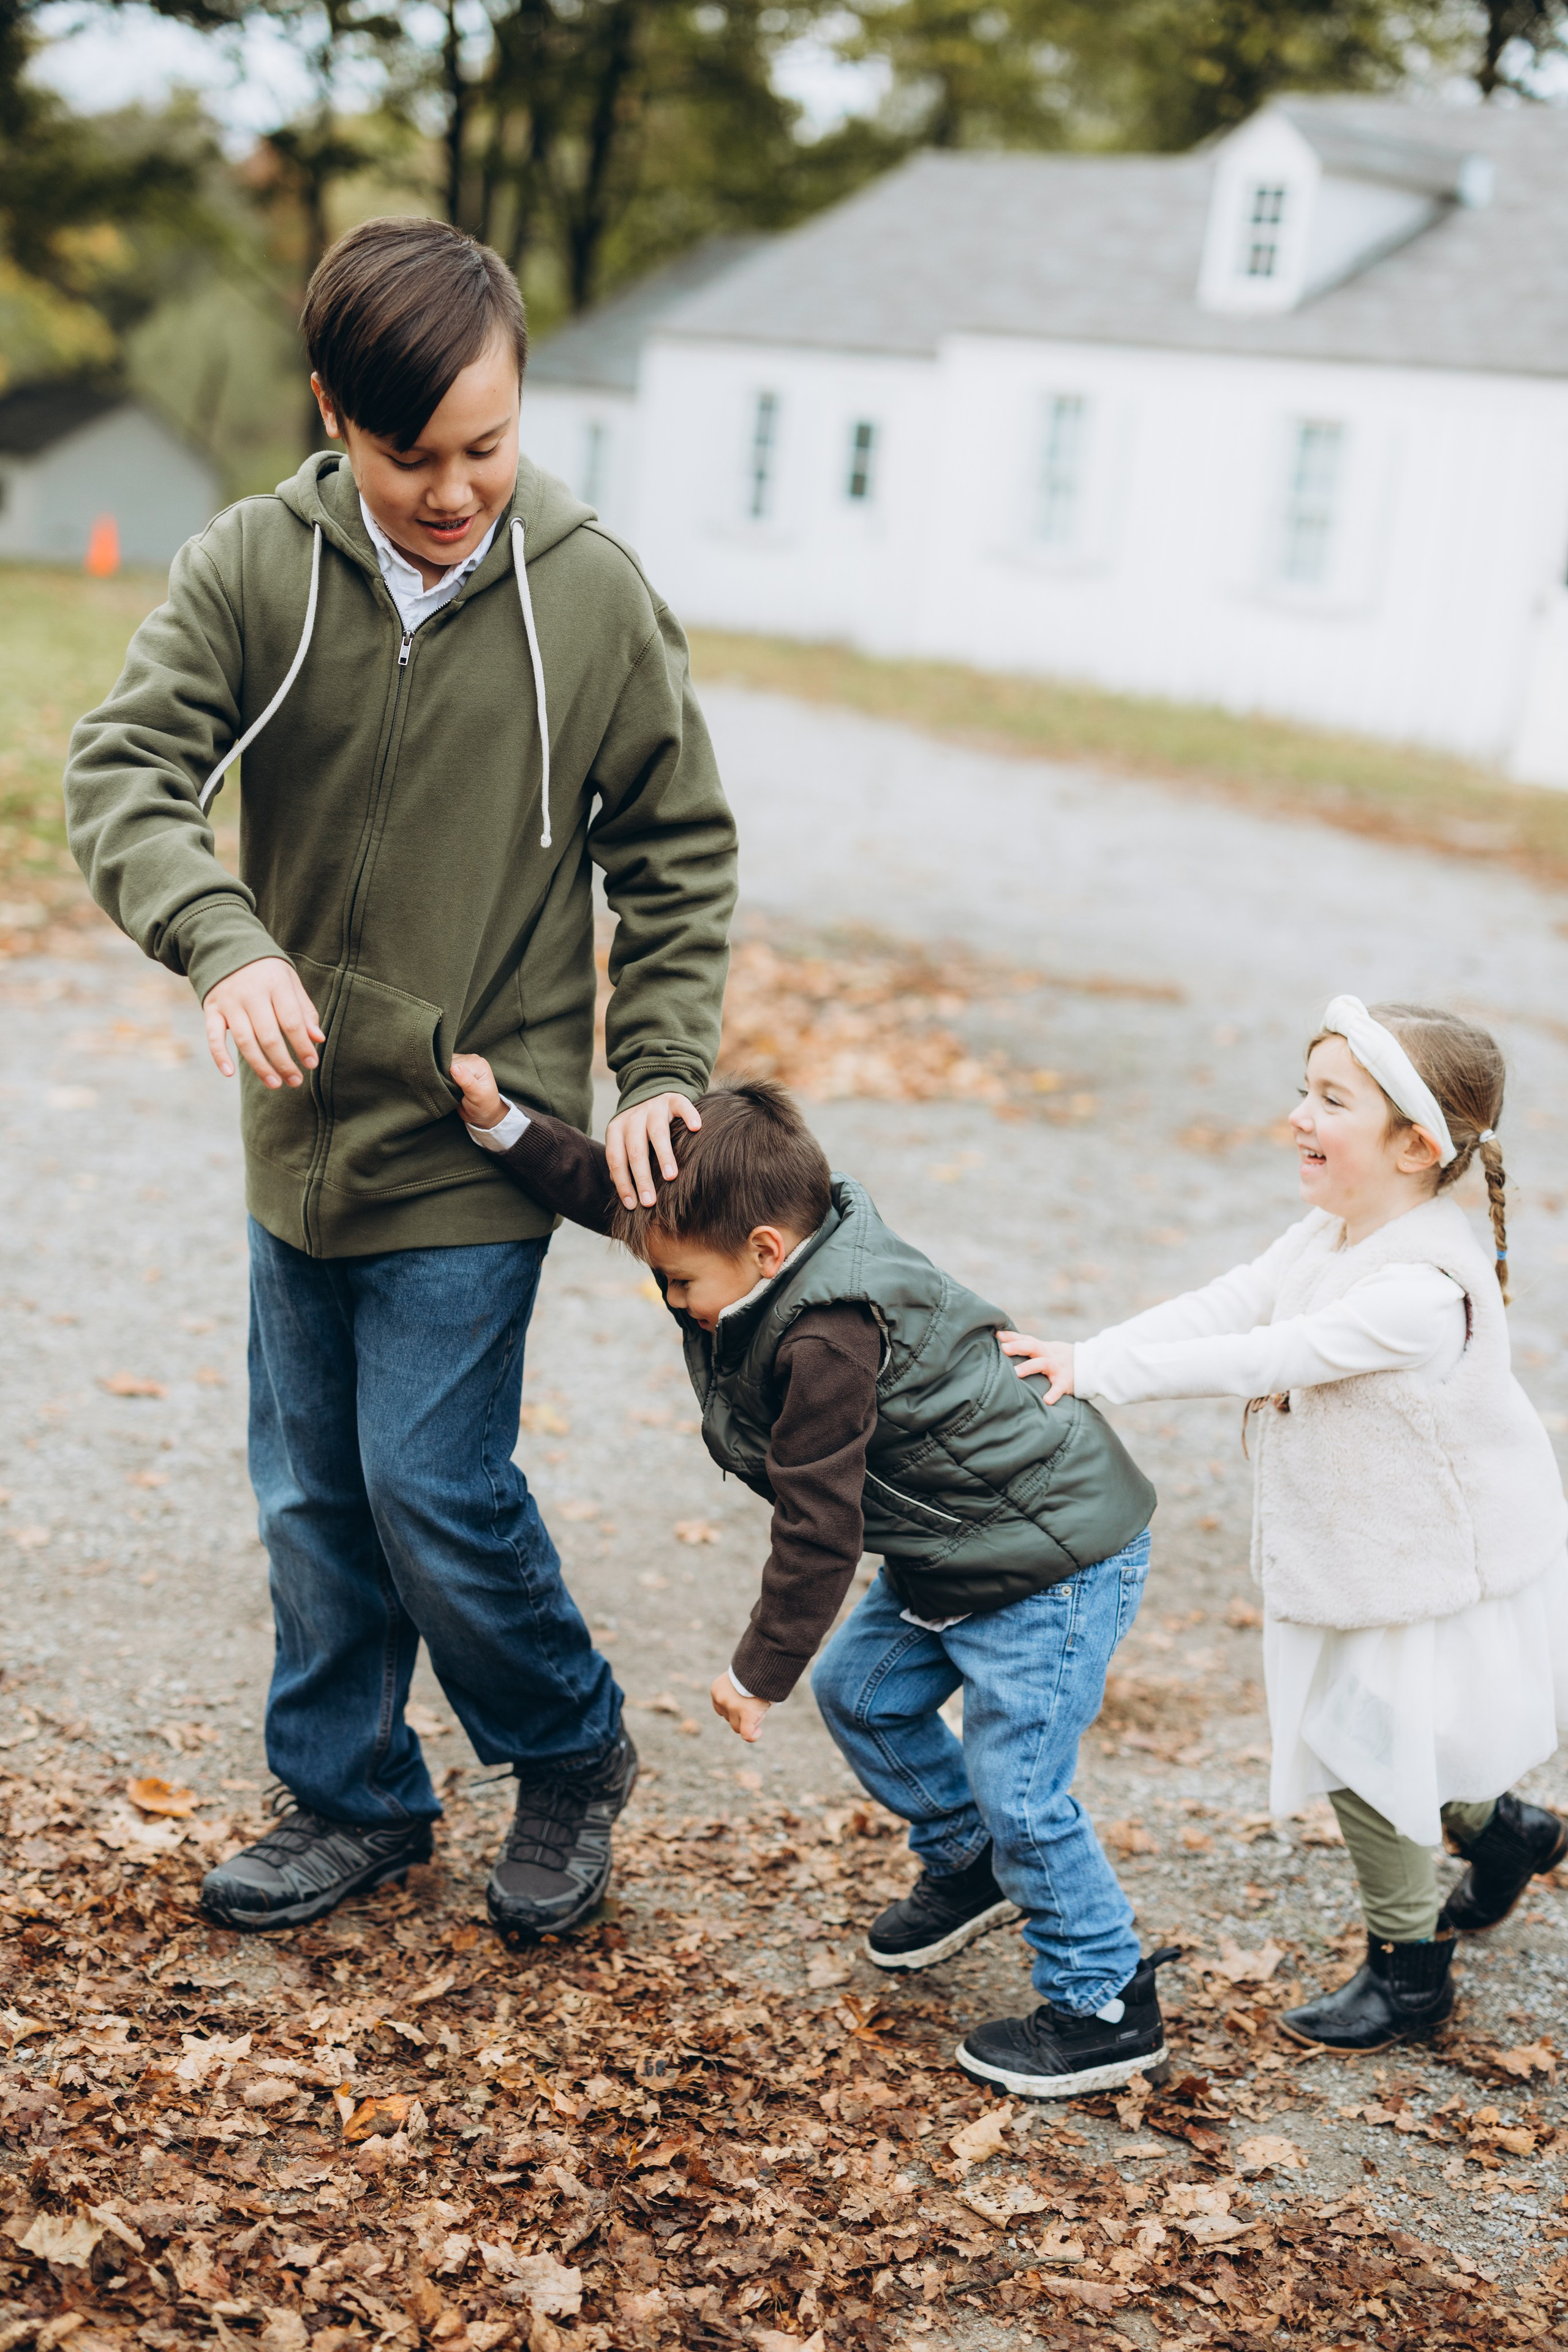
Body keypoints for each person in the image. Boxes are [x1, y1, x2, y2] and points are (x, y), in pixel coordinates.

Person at [64, 217, 737, 1940]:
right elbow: (128, 770)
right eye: (410, 453)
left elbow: (674, 849)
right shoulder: (248, 568)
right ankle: (353, 1800)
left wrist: (655, 1061)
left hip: (476, 1128)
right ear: (333, 414)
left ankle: (568, 1747)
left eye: (488, 448)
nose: (454, 490)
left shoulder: (587, 596)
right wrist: (228, 938)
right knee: (308, 1487)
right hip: (296, 1126)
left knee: (429, 1479)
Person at [448, 1054, 1178, 2098]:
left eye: (683, 1283)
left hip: (1051, 1562)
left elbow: (818, 1525)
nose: (671, 1299)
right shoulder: (763, 1255)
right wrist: (503, 1124)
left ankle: (1106, 2000)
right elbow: (613, 1197)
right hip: (956, 1550)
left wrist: (758, 1669)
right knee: (867, 1695)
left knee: (1022, 1786)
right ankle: (968, 1859)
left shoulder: (831, 1338)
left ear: (764, 1249)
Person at [1000, 998, 1568, 2051]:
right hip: (1365, 1549)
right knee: (1394, 1734)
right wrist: (1089, 1350)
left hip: (1430, 1562)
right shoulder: (1336, 1229)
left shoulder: (1417, 1287)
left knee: (1365, 1747)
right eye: (1305, 1089)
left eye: (1331, 1099)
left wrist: (1104, 1374)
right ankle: (1506, 1833)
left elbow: (1265, 1356)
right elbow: (1235, 1302)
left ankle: (1411, 1975)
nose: (1298, 1114)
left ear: (1415, 1144)